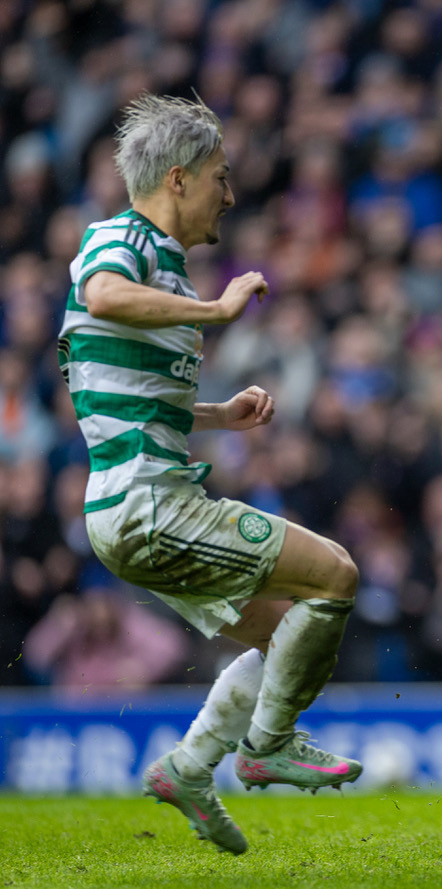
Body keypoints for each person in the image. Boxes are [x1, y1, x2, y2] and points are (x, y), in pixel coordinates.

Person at [56, 94, 362, 856]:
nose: (232, 193)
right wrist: (217, 312)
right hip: (149, 506)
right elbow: (99, 292)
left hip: (136, 505)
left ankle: (192, 766)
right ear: (181, 179)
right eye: (222, 177)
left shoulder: (164, 265)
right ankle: (268, 745)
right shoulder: (117, 237)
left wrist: (219, 414)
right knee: (336, 574)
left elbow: (129, 399)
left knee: (289, 631)